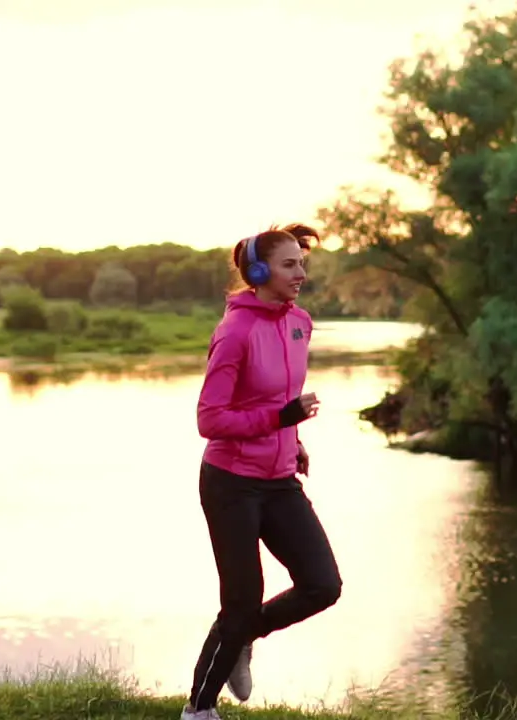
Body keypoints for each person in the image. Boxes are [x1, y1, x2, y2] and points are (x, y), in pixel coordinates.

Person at [180, 223, 343, 720]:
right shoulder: (235, 332)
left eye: (302, 263)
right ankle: (199, 710)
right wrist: (280, 421)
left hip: (278, 480)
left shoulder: (300, 323)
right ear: (257, 271)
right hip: (231, 482)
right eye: (289, 264)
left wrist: (292, 441)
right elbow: (210, 420)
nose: (301, 273)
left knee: (323, 585)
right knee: (241, 600)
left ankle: (245, 636)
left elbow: (276, 398)